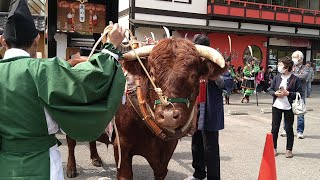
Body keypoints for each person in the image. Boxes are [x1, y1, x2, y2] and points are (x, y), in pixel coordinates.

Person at [0, 0, 126, 179]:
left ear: (2, 40)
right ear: (37, 37)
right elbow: (87, 82)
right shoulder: (42, 70)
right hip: (43, 162)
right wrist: (110, 49)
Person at [185, 34, 224, 180]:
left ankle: (213, 177)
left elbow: (229, 82)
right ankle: (198, 173)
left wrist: (216, 77)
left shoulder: (216, 61)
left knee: (211, 147)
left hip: (209, 109)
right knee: (196, 143)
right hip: (195, 108)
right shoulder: (191, 62)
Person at [268, 56, 302, 158]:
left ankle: (289, 149)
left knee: (288, 128)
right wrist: (275, 93)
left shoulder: (295, 79)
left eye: (280, 65)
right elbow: (270, 89)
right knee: (275, 128)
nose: (279, 67)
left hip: (289, 107)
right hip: (277, 106)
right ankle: (273, 148)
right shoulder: (277, 77)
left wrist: (288, 93)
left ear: (287, 67)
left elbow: (299, 93)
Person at [291, 50, 308, 139]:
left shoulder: (305, 68)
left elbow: (304, 76)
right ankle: (287, 129)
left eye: (296, 57)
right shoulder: (291, 67)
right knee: (288, 112)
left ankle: (300, 131)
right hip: (290, 92)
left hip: (300, 94)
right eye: (293, 57)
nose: (294, 59)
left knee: (300, 113)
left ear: (301, 59)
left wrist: (293, 75)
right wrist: (296, 74)